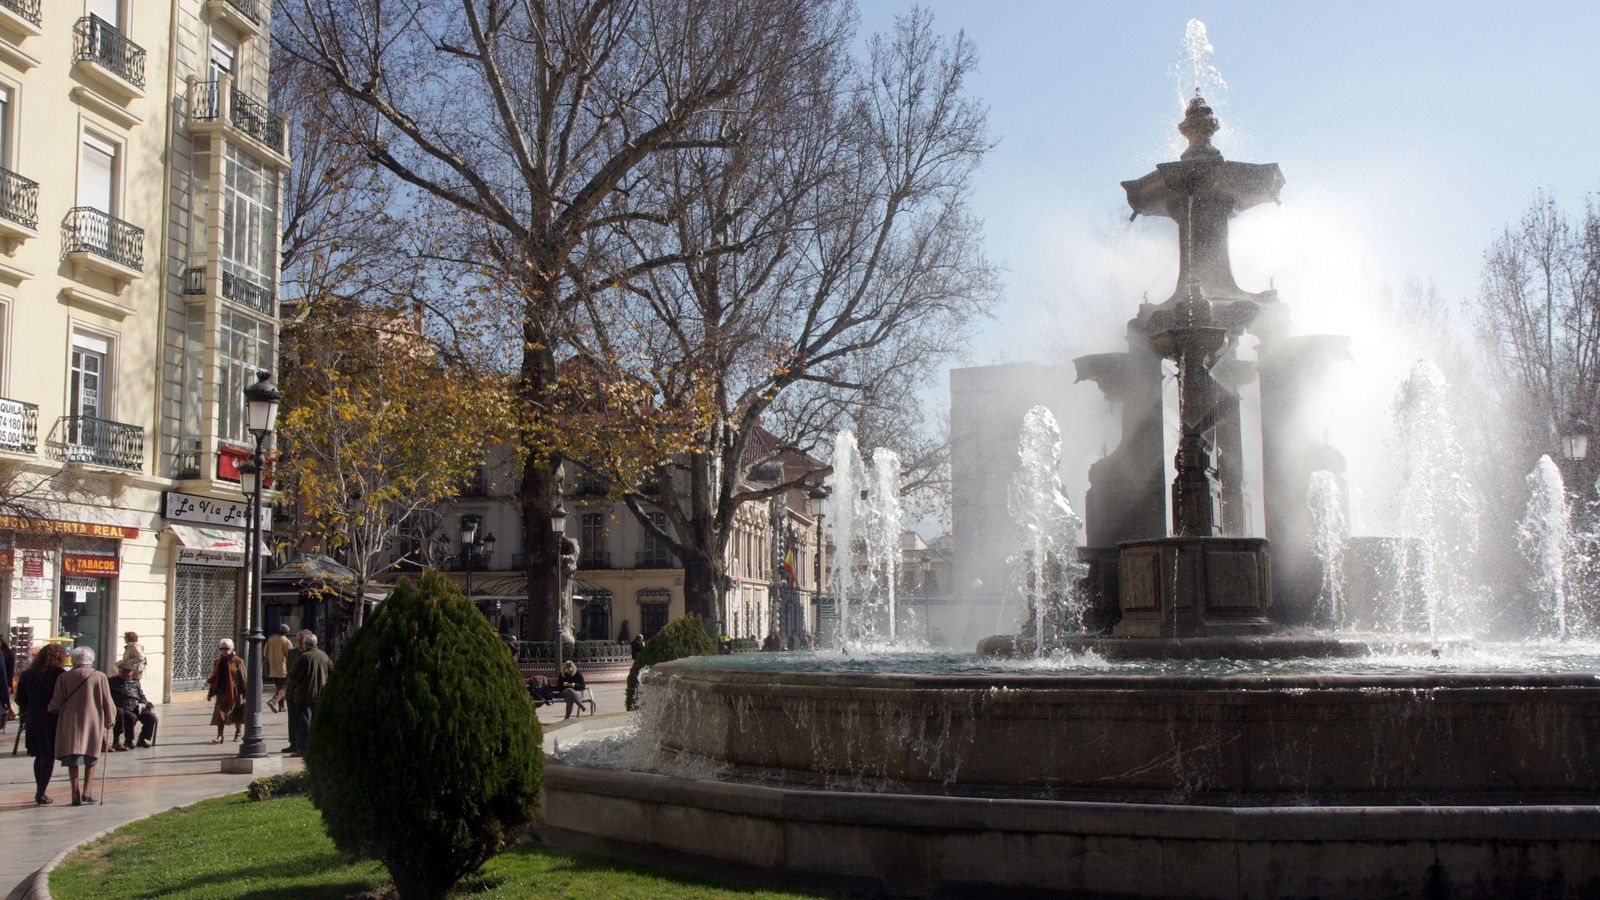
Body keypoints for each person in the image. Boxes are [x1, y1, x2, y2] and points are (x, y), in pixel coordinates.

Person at [48, 646, 115, 806]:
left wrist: (52, 708)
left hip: (70, 722)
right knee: (90, 756)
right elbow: (108, 701)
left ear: (74, 660)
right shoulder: (99, 676)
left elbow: (56, 702)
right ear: (91, 660)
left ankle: (74, 792)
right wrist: (110, 720)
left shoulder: (64, 677)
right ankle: (87, 791)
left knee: (73, 757)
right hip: (92, 721)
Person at [15, 643, 67, 805]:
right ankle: (41, 792)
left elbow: (19, 699)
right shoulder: (59, 674)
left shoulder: (28, 674)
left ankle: (40, 790)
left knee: (39, 755)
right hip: (51, 718)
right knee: (48, 756)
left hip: (33, 717)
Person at [284, 631, 331, 756]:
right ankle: (316, 747)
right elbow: (332, 672)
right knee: (315, 723)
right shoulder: (324, 656)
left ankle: (303, 749)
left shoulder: (304, 657)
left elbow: (293, 676)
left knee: (304, 724)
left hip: (304, 695)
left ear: (306, 644)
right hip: (320, 695)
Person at [108, 659, 158, 749]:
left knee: (151, 717)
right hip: (122, 708)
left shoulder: (135, 682)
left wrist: (143, 704)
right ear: (119, 672)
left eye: (128, 672)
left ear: (131, 672)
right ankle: (129, 740)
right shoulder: (111, 682)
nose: (125, 674)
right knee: (131, 717)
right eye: (123, 672)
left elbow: (142, 695)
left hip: (136, 707)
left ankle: (142, 739)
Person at [206, 639, 247, 743]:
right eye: (221, 648)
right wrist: (211, 693)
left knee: (237, 713)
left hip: (236, 692)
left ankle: (238, 733)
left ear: (232, 648)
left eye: (226, 648)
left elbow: (243, 678)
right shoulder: (218, 661)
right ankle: (220, 736)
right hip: (222, 691)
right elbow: (214, 678)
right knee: (220, 714)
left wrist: (245, 694)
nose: (224, 651)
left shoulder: (238, 661)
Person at [264, 624, 293, 713]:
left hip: (272, 668)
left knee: (279, 688)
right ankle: (273, 701)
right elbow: (291, 655)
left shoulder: (270, 639)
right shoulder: (286, 641)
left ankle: (281, 707)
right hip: (283, 669)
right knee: (284, 687)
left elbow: (265, 653)